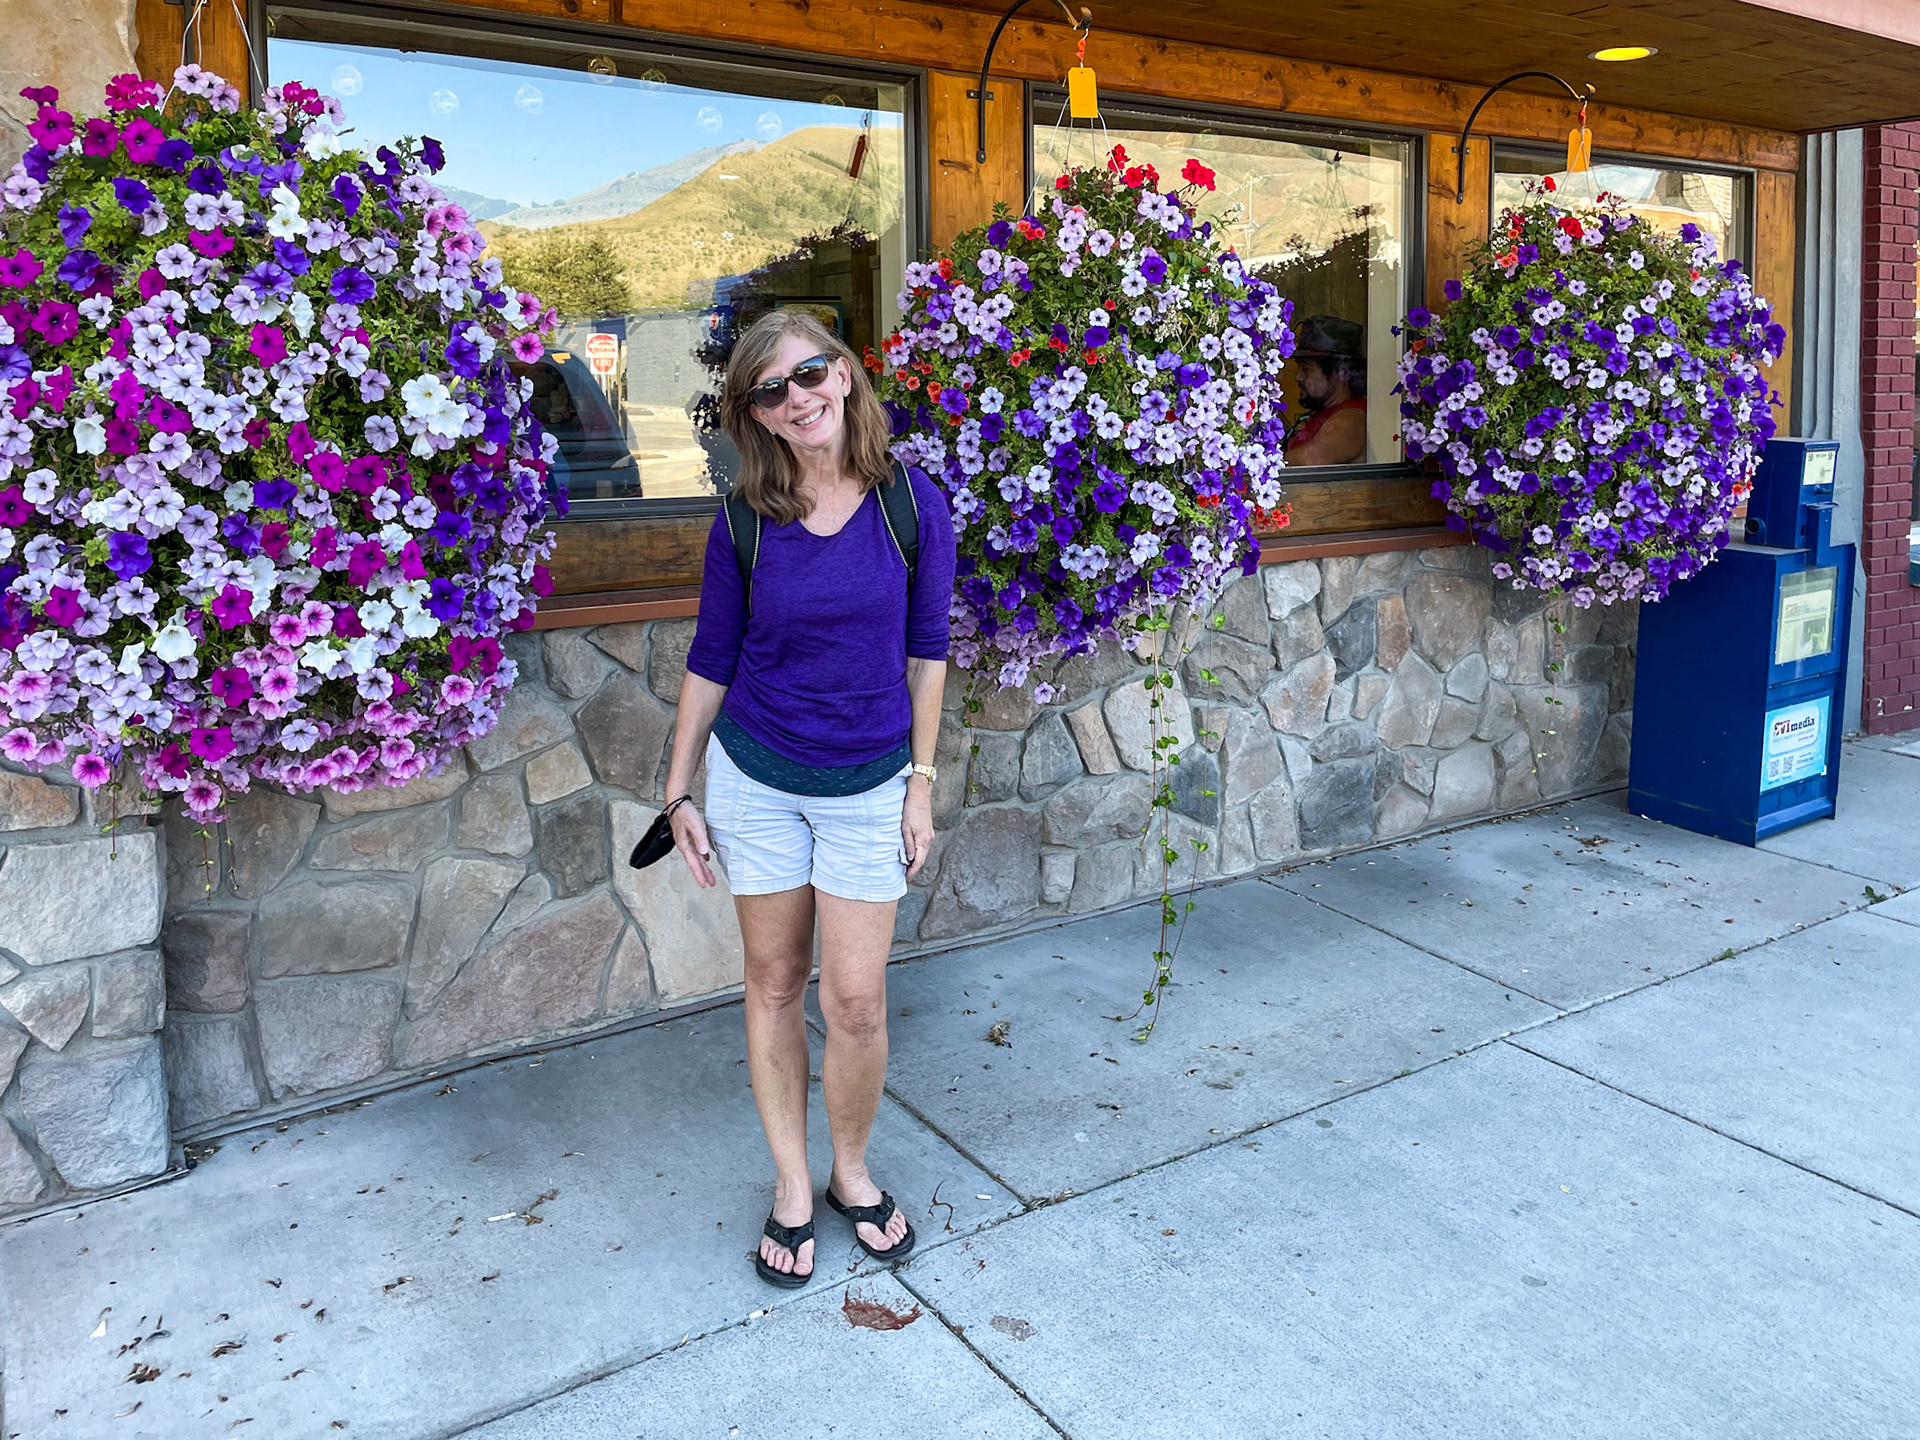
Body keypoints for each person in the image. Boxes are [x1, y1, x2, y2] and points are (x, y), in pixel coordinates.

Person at [663, 310, 956, 1288]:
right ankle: (793, 1185)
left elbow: (928, 653)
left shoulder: (912, 504)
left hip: (871, 780)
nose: (799, 398)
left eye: (812, 373)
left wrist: (921, 784)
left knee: (858, 1001)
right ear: (753, 412)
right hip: (756, 778)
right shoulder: (745, 518)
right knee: (775, 984)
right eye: (772, 390)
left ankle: (851, 1172)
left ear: (845, 373)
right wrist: (679, 789)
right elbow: (713, 657)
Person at [1285, 315, 1368, 467]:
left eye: (1306, 368)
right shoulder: (1327, 413)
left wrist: (1262, 465)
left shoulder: (1353, 417)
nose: (1298, 377)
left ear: (1342, 371)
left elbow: (1311, 458)